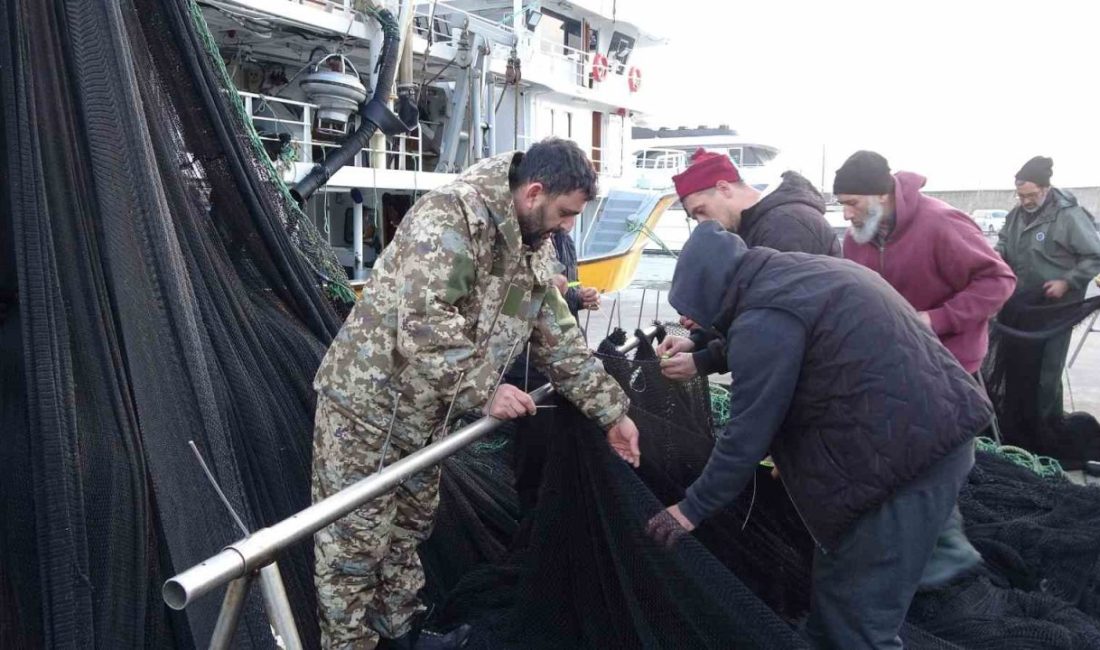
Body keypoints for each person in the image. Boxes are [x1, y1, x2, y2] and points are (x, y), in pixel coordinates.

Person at [311, 138, 641, 649]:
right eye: (566, 213)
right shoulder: (452, 215)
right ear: (534, 193)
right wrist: (485, 389)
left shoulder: (533, 246)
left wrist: (612, 414)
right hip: (368, 413)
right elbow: (423, 322)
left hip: (425, 420)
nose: (568, 226)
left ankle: (400, 638)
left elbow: (557, 336)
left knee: (405, 538)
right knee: (352, 552)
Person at [645, 221, 993, 650]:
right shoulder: (788, 274)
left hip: (908, 463)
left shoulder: (765, 318)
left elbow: (746, 434)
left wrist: (690, 509)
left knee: (862, 624)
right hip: (911, 434)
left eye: (692, 308)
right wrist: (704, 357)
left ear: (715, 288)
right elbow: (781, 338)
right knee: (834, 594)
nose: (686, 319)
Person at [656, 148, 840, 381]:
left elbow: (775, 327)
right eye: (695, 218)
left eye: (701, 211)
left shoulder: (785, 225)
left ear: (724, 188)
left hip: (819, 372)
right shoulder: (756, 226)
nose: (704, 223)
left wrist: (703, 362)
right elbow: (748, 309)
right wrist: (697, 340)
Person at [834, 150, 1017, 374]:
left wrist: (937, 319)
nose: (846, 214)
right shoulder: (856, 239)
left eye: (853, 203)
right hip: (891, 360)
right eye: (842, 204)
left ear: (882, 194)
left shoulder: (942, 223)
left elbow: (998, 281)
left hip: (948, 362)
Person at [995, 155, 1100, 422]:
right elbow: (1003, 247)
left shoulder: (1069, 216)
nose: (1026, 201)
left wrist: (1067, 281)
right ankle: (1021, 422)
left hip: (1056, 308)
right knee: (1020, 367)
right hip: (1023, 306)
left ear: (1045, 189)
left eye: (1031, 195)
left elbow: (1094, 255)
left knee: (1047, 372)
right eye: (1021, 196)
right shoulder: (1016, 216)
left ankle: (1046, 426)